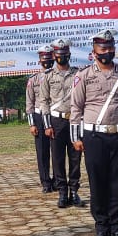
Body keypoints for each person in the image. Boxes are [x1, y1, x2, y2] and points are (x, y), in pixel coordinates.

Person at [70, 28, 118, 236]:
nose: (106, 51)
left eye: (110, 47)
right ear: (94, 51)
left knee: (116, 183)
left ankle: (117, 227)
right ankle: (101, 228)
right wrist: (76, 137)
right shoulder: (83, 75)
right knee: (97, 183)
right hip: (93, 136)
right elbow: (76, 107)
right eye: (102, 48)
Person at [40, 38, 84, 208]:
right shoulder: (48, 76)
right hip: (56, 121)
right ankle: (62, 192)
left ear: (69, 55)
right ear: (54, 55)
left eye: (65, 54)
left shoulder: (78, 74)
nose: (62, 57)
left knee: (75, 157)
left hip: (74, 120)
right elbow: (43, 101)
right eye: (59, 54)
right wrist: (47, 125)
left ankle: (74, 191)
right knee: (57, 158)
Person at [26, 44, 55, 193]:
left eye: (49, 59)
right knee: (42, 151)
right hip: (39, 116)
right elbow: (29, 103)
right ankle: (45, 182)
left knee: (57, 151)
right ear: (39, 60)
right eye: (44, 59)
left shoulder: (58, 77)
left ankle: (57, 180)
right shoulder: (33, 79)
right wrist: (32, 124)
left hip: (54, 115)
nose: (47, 62)